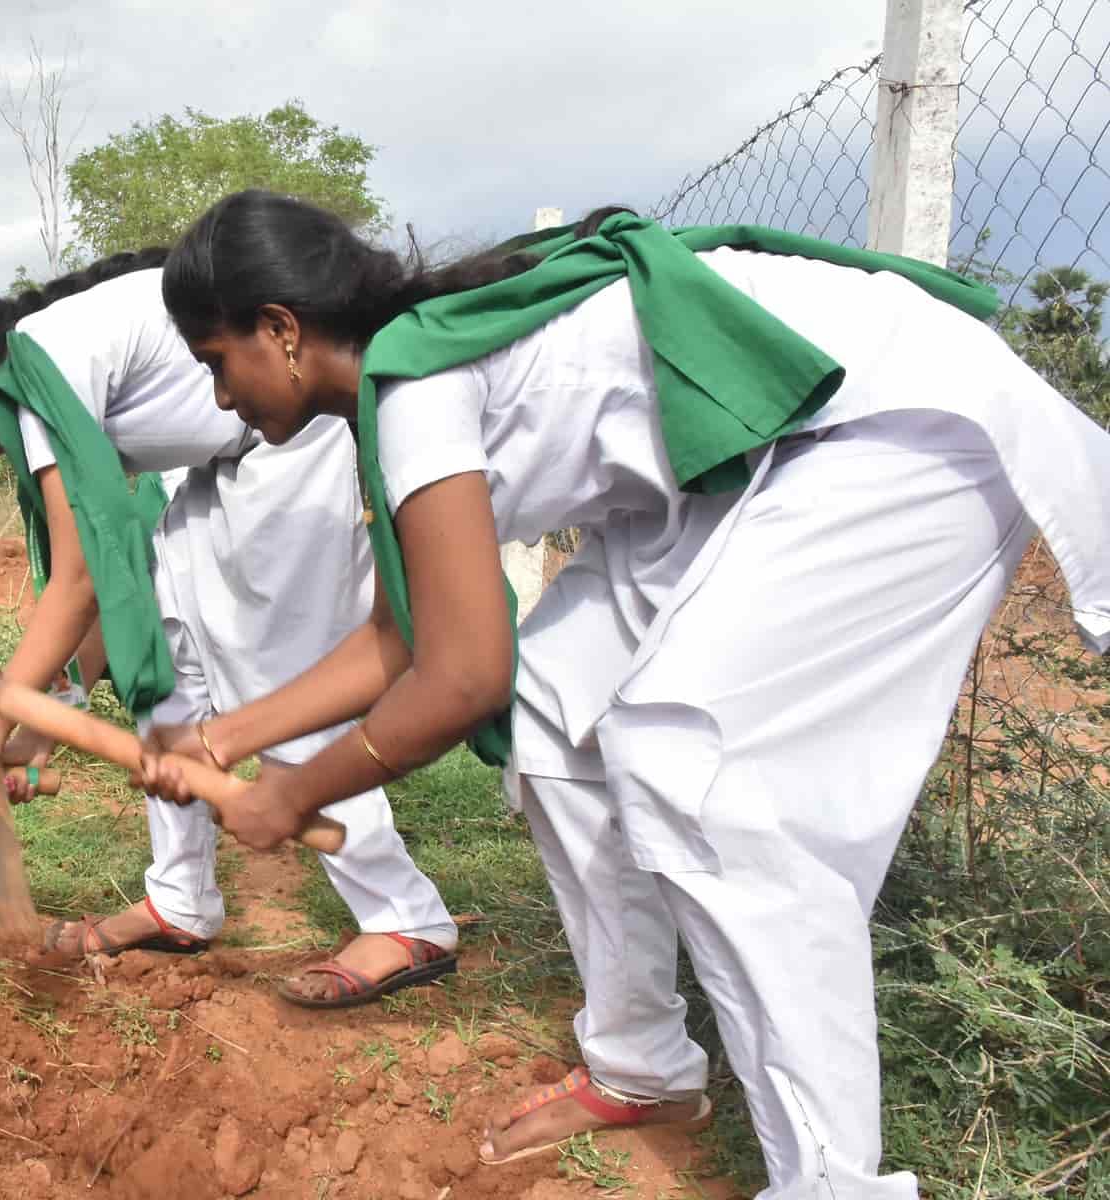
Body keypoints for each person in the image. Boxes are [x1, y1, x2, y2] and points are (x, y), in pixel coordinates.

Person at [139, 190, 1110, 1192]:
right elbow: (405, 637)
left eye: (215, 360)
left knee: (701, 774)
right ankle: (641, 1068)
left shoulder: (416, 382)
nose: (219, 398)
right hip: (745, 461)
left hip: (884, 424)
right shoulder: (405, 380)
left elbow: (464, 676)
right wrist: (222, 739)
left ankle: (834, 1184)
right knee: (557, 714)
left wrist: (294, 792)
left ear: (281, 329)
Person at [0, 253, 460, 1006]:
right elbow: (115, 583)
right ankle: (180, 900)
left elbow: (75, 579)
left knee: (271, 670)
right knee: (165, 659)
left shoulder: (39, 369)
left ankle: (405, 918)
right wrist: (45, 719)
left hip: (293, 439)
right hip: (225, 456)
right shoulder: (33, 379)